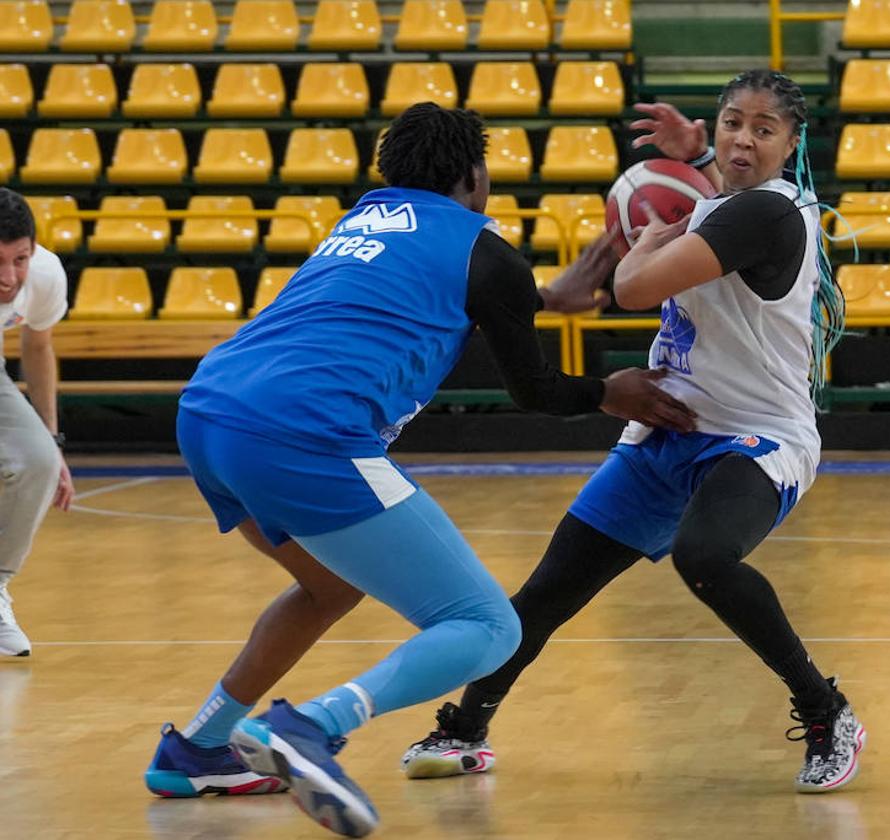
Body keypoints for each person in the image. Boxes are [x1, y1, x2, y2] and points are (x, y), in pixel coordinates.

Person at [142, 103, 695, 837]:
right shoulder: (487, 250)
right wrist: (607, 391)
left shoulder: (363, 220)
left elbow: (423, 289)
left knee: (327, 586)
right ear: (475, 175)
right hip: (301, 432)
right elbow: (533, 390)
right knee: (487, 625)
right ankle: (311, 726)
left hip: (209, 415)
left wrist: (540, 298)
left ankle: (200, 747)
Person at [401, 69, 867, 794]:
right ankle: (466, 730)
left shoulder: (766, 216)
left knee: (705, 554)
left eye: (763, 129)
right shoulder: (724, 196)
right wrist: (696, 161)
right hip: (668, 429)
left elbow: (631, 288)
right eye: (732, 122)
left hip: (759, 435)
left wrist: (643, 237)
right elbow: (711, 196)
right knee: (547, 593)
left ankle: (825, 708)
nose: (743, 138)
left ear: (792, 143)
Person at [0, 188, 73, 658]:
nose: (9, 278)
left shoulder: (44, 274)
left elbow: (38, 346)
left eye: (19, 259)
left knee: (39, 461)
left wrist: (52, 439)